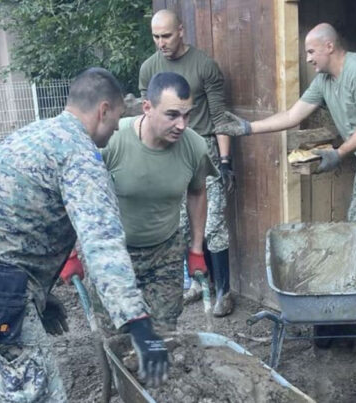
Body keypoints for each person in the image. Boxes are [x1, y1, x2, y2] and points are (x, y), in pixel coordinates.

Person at [0, 68, 169, 402]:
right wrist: (138, 324)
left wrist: (36, 294)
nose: (115, 129)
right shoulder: (81, 155)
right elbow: (102, 244)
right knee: (34, 392)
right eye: (118, 118)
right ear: (104, 110)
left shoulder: (38, 134)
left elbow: (9, 219)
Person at [215, 23, 356, 346]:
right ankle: (355, 313)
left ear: (329, 47)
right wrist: (248, 128)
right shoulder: (324, 81)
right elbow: (293, 115)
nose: (307, 58)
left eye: (311, 51)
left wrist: (337, 153)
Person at [62, 72, 217, 334]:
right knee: (116, 334)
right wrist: (69, 253)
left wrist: (196, 250)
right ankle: (119, 373)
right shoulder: (111, 141)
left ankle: (157, 375)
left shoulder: (194, 147)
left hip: (165, 253)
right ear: (147, 108)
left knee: (163, 336)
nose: (181, 124)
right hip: (115, 254)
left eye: (187, 115)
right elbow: (72, 195)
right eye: (172, 115)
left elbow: (197, 192)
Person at [139, 9, 235, 316]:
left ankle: (224, 291)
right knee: (177, 224)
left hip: (204, 147)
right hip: (168, 150)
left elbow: (220, 116)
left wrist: (225, 159)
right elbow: (148, 118)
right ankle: (196, 283)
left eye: (166, 35)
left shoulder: (204, 65)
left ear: (181, 31)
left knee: (213, 223)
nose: (161, 43)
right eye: (155, 36)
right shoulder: (149, 69)